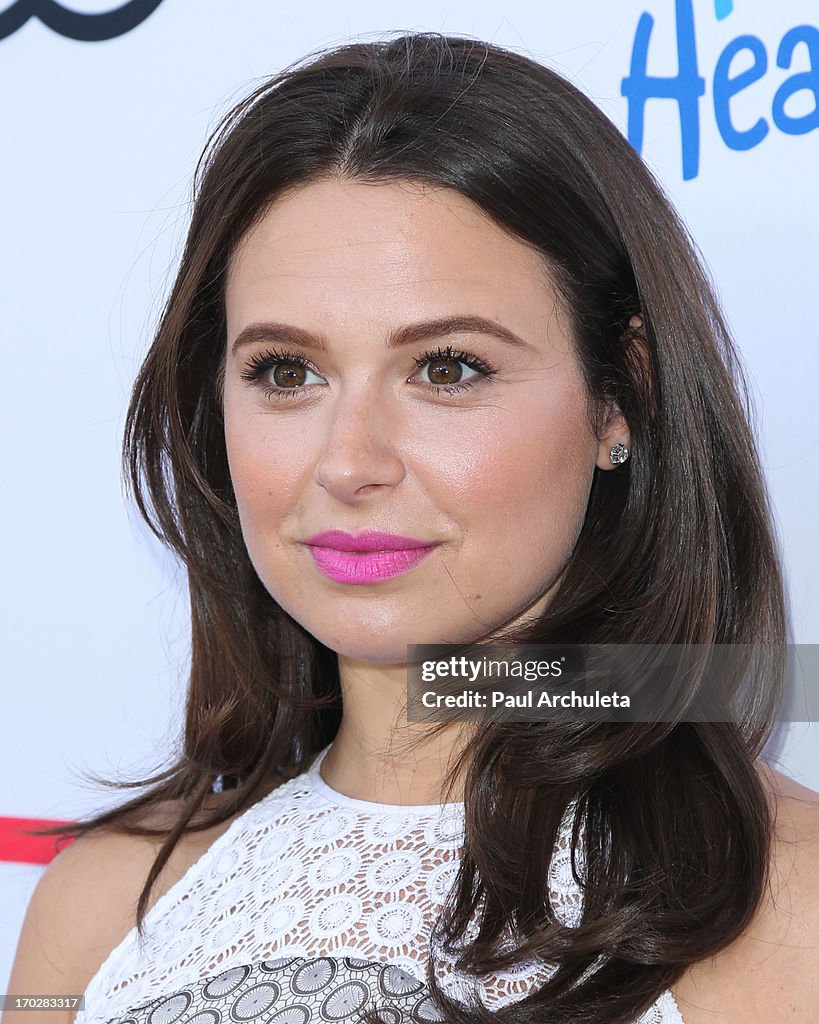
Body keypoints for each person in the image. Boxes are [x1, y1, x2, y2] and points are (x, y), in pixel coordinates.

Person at [5, 30, 818, 1024]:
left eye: (447, 368)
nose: (350, 462)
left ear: (622, 399)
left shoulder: (785, 904)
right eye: (286, 372)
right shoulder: (95, 914)